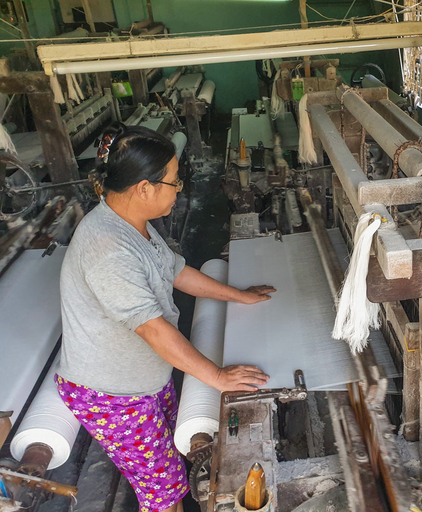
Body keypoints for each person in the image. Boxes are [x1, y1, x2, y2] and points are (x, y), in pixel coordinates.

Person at [55, 123, 276, 512]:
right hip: (114, 395)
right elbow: (153, 329)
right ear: (144, 188)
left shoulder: (132, 224)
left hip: (145, 377)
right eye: (174, 182)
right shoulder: (108, 248)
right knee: (164, 495)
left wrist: (238, 296)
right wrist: (219, 378)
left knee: (173, 457)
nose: (180, 190)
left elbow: (175, 271)